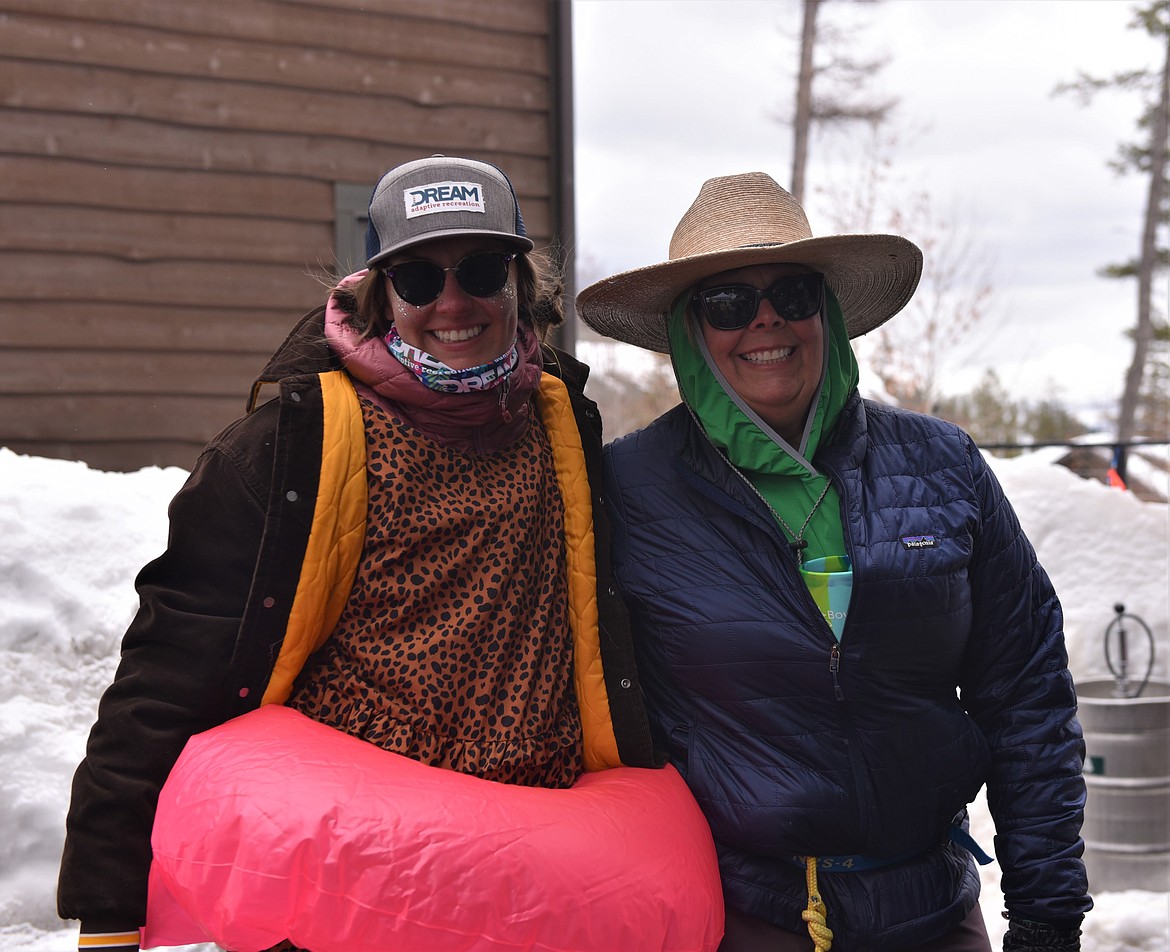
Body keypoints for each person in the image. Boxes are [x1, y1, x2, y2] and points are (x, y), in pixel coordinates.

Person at [57, 155, 657, 951]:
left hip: (530, 880)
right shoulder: (284, 451)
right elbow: (166, 673)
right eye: (417, 279)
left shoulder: (564, 427)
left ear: (519, 285)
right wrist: (107, 907)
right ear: (379, 295)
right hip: (355, 881)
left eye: (481, 270)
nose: (453, 302)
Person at [576, 172, 1091, 952]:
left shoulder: (942, 464)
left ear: (829, 311)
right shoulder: (627, 490)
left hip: (935, 910)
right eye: (727, 303)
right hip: (738, 914)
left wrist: (1047, 915)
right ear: (690, 329)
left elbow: (1026, 693)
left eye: (793, 293)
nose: (766, 321)